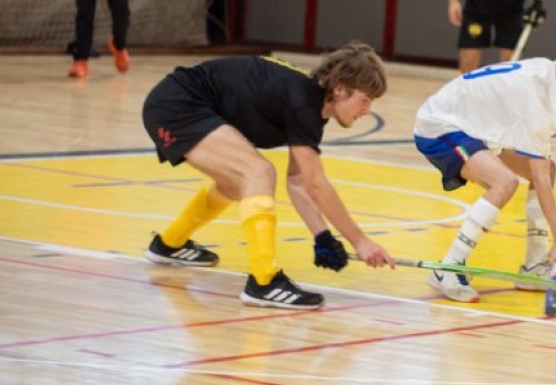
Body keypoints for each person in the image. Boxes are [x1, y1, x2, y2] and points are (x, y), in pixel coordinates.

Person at [141, 44, 395, 309]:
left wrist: (322, 236)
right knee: (258, 171)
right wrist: (359, 240)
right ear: (340, 88)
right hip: (177, 105)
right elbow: (316, 185)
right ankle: (264, 281)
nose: (366, 110)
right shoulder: (302, 102)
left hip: (182, 103)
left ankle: (168, 244)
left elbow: (297, 182)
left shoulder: (311, 107)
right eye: (365, 100)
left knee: (235, 183)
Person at [414, 38, 556, 303]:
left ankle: (533, 268)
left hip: (474, 129)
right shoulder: (536, 97)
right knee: (505, 182)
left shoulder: (553, 81)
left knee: (549, 168)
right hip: (440, 124)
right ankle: (447, 268)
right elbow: (537, 176)